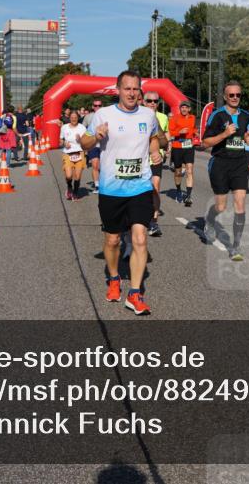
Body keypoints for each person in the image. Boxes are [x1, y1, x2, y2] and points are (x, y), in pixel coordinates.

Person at [80, 71, 161, 315]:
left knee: (139, 238)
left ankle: (134, 293)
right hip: (111, 188)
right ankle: (114, 277)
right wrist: (96, 137)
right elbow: (83, 143)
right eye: (127, 88)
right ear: (118, 89)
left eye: (136, 89)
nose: (132, 93)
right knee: (112, 240)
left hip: (140, 186)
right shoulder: (103, 115)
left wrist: (155, 151)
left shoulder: (148, 115)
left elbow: (154, 138)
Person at [201, 81, 249, 261]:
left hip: (240, 164)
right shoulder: (216, 115)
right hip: (220, 164)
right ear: (225, 97)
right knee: (221, 207)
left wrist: (248, 138)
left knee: (240, 205)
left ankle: (236, 247)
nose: (235, 98)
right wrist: (224, 134)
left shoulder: (246, 115)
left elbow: (245, 134)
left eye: (238, 95)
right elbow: (205, 142)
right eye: (231, 95)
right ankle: (209, 219)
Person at [143, 91, 169, 237]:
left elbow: (165, 136)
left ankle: (153, 222)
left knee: (155, 188)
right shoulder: (137, 115)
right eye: (149, 101)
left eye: (155, 101)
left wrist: (166, 147)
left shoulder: (163, 117)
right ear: (143, 102)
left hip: (155, 159)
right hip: (139, 160)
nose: (152, 103)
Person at [168, 100, 197, 207]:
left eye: (186, 107)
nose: (184, 109)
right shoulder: (174, 118)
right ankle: (179, 190)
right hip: (177, 147)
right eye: (182, 107)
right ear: (180, 109)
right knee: (178, 172)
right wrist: (179, 132)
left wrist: (196, 132)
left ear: (189, 109)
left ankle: (188, 196)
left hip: (189, 146)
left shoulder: (192, 118)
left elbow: (193, 129)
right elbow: (170, 132)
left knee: (189, 170)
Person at [61, 109, 87, 200]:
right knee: (68, 175)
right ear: (69, 118)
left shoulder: (82, 128)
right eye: (72, 117)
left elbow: (86, 142)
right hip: (68, 153)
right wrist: (64, 143)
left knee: (77, 176)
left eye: (75, 117)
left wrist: (80, 140)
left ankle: (75, 192)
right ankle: (69, 187)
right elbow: (61, 139)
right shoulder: (64, 127)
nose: (74, 119)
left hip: (79, 153)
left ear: (78, 118)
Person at [83, 100, 103, 192]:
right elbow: (83, 130)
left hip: (104, 145)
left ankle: (103, 182)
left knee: (102, 166)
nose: (97, 107)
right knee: (95, 165)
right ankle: (97, 186)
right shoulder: (88, 117)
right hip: (93, 144)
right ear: (92, 106)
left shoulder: (106, 115)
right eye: (95, 105)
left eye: (99, 105)